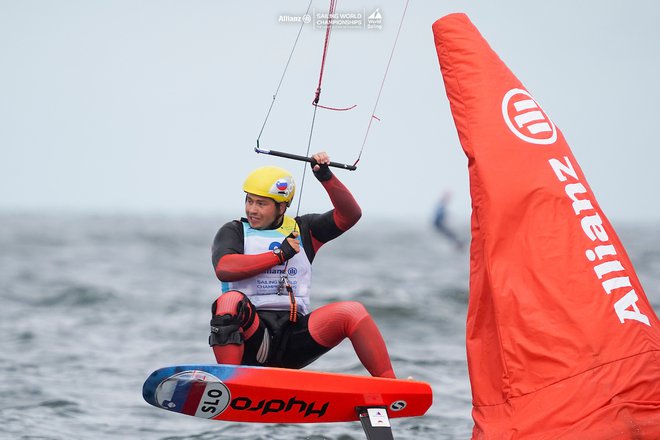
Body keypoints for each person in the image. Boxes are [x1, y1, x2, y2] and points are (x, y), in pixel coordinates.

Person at [209, 152, 396, 378]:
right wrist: (278, 255)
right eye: (249, 201)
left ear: (282, 207)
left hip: (293, 338)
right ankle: (230, 380)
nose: (252, 210)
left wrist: (326, 177)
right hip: (252, 339)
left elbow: (350, 215)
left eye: (261, 203)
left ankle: (389, 385)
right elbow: (225, 268)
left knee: (352, 312)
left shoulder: (304, 229)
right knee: (229, 301)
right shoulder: (234, 231)